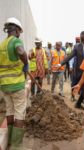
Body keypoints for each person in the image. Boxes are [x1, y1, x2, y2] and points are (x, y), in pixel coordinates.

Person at [0, 18, 30, 150]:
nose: (19, 35)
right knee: (20, 112)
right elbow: (21, 52)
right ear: (17, 30)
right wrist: (26, 64)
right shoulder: (16, 41)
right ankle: (17, 146)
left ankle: (12, 141)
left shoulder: (2, 45)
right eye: (19, 32)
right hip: (16, 85)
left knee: (10, 110)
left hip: (4, 85)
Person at [53, 31, 84, 111]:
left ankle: (78, 104)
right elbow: (70, 56)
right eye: (82, 40)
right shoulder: (77, 47)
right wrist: (60, 64)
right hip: (81, 71)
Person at [70, 37, 81, 102]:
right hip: (75, 68)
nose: (78, 42)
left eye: (79, 41)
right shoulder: (74, 47)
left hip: (83, 68)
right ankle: (73, 96)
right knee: (74, 83)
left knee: (83, 84)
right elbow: (71, 58)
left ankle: (81, 99)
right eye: (77, 41)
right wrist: (71, 66)